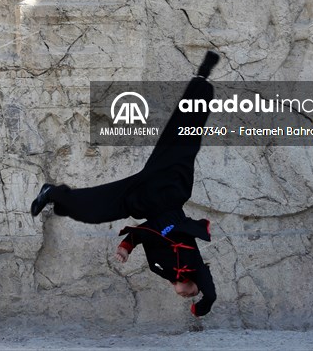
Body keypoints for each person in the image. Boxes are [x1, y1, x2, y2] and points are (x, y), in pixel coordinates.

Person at [30, 51, 220, 316]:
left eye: (192, 297)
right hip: (169, 190)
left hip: (141, 201)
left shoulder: (161, 269)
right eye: (193, 293)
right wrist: (200, 307)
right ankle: (202, 78)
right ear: (194, 285)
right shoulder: (194, 265)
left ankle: (52, 194)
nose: (190, 296)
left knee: (97, 210)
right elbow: (209, 293)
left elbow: (144, 234)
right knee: (184, 138)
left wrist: (125, 248)